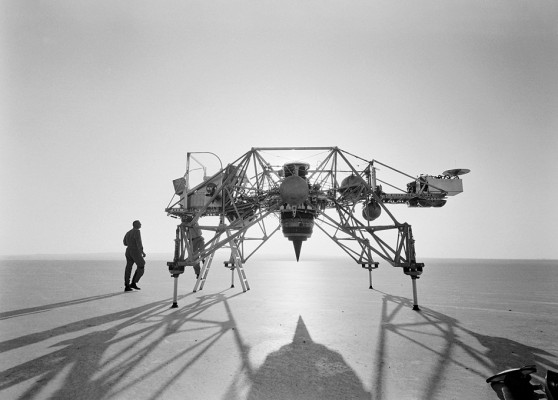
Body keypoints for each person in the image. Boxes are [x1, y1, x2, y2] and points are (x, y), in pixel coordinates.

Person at [123, 220, 146, 291]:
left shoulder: (128, 232)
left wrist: (130, 243)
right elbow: (139, 242)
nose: (141, 224)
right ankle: (133, 282)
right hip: (135, 251)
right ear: (136, 225)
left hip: (128, 251)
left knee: (128, 268)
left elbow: (125, 243)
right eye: (139, 223)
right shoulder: (137, 231)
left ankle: (127, 285)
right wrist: (142, 251)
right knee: (141, 265)